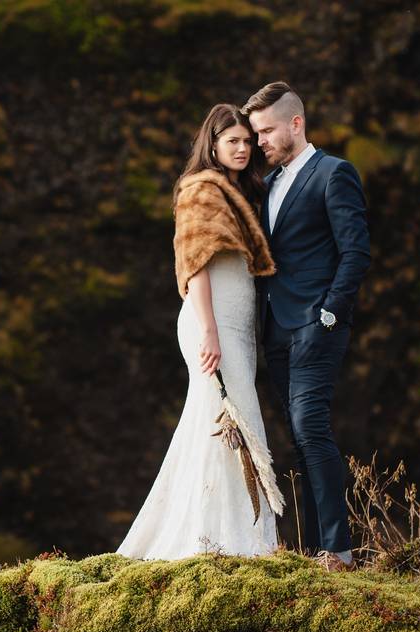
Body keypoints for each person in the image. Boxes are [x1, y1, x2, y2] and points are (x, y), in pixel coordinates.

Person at [116, 104, 281, 559]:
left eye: (248, 141)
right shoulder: (200, 191)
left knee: (217, 423)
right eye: (233, 141)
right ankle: (231, 544)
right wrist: (209, 331)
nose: (244, 148)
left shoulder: (236, 191)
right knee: (230, 421)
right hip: (212, 322)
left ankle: (219, 536)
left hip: (235, 325)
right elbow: (196, 266)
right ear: (212, 144)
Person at [241, 82, 371, 571]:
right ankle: (319, 547)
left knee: (310, 427)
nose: (260, 142)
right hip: (276, 329)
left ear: (296, 123)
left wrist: (331, 311)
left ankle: (339, 550)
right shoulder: (270, 184)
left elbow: (356, 251)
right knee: (299, 437)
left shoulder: (334, 174)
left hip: (318, 324)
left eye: (267, 130)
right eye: (255, 134)